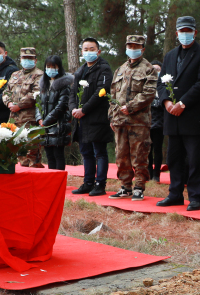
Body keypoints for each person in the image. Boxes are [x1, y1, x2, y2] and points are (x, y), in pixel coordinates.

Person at [156, 16, 200, 211]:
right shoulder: (170, 55)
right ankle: (175, 194)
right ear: (176, 33)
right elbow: (161, 82)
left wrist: (182, 103)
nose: (185, 35)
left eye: (189, 31)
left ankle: (196, 197)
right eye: (182, 31)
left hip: (191, 115)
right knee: (174, 158)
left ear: (195, 32)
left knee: (194, 159)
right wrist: (166, 101)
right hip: (171, 115)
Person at [108, 34, 157, 201]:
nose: (132, 49)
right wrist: (112, 117)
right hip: (120, 121)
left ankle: (139, 187)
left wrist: (130, 107)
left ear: (142, 49)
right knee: (121, 156)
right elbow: (112, 95)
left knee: (140, 155)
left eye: (136, 47)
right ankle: (125, 187)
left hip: (139, 122)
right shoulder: (120, 69)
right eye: (130, 46)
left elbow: (149, 93)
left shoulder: (148, 69)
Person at [71, 37, 114, 196]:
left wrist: (84, 109)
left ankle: (100, 184)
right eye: (85, 49)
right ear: (82, 52)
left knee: (99, 152)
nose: (88, 52)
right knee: (86, 152)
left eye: (91, 49)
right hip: (81, 120)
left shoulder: (104, 69)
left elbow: (101, 93)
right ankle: (87, 182)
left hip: (97, 118)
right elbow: (72, 93)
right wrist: (73, 109)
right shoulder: (80, 71)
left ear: (98, 51)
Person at [2, 46, 44, 167]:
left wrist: (19, 106)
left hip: (29, 119)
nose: (27, 60)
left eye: (30, 58)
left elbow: (36, 94)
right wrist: (9, 103)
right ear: (20, 59)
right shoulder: (15, 75)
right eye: (24, 58)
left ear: (35, 60)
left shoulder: (39, 75)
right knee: (18, 150)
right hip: (14, 119)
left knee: (31, 150)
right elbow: (6, 92)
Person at [35, 55, 73, 171]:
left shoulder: (64, 85)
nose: (50, 69)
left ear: (59, 68)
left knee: (58, 155)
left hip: (57, 126)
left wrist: (46, 121)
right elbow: (37, 104)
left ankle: (59, 181)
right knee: (49, 156)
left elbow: (61, 106)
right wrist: (39, 118)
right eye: (48, 66)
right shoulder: (43, 85)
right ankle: (52, 182)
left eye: (53, 66)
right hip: (45, 127)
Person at [149, 60, 164, 182]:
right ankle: (148, 173)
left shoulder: (164, 86)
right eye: (153, 69)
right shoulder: (145, 85)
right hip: (146, 123)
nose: (155, 72)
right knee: (147, 150)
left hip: (160, 124)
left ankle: (156, 174)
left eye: (158, 70)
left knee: (157, 150)